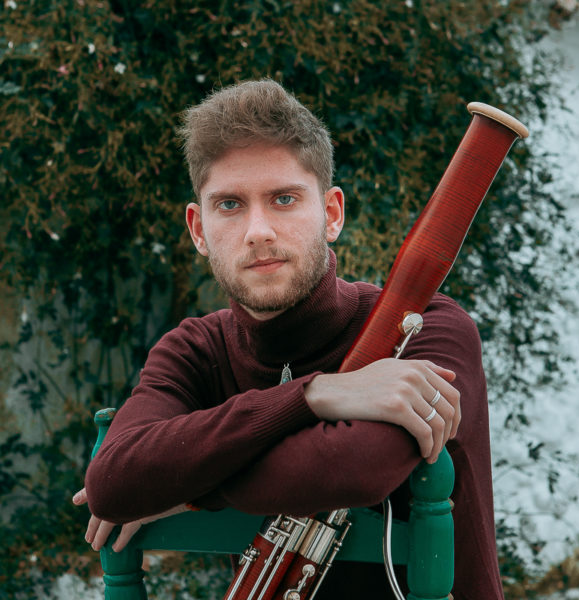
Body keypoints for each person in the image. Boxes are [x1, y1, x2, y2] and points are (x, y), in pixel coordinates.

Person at [73, 79, 504, 599]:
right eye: (230, 205)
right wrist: (315, 395)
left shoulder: (428, 326)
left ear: (332, 214)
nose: (258, 231)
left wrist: (184, 486)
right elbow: (115, 481)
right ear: (199, 230)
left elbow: (352, 467)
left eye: (283, 199)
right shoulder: (194, 349)